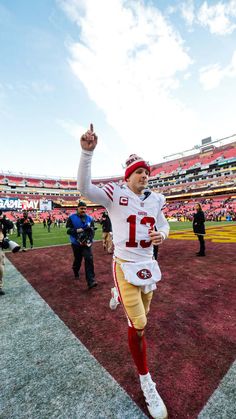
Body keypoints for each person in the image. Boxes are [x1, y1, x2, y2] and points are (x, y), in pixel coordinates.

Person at [77, 124, 169, 419]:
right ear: (128, 175)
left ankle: (116, 292)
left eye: (147, 171)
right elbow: (84, 189)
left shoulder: (155, 199)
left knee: (143, 320)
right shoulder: (114, 194)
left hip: (148, 266)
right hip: (124, 265)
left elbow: (163, 224)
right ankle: (146, 381)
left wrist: (162, 236)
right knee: (139, 327)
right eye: (140, 171)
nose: (145, 175)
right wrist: (86, 153)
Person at [66, 201, 97, 289]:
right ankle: (75, 270)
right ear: (77, 208)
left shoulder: (90, 218)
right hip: (76, 243)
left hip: (86, 243)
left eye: (85, 208)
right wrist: (79, 230)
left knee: (89, 259)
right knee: (78, 259)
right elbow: (68, 231)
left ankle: (91, 280)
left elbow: (92, 231)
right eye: (81, 208)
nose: (83, 210)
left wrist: (90, 240)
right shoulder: (71, 218)